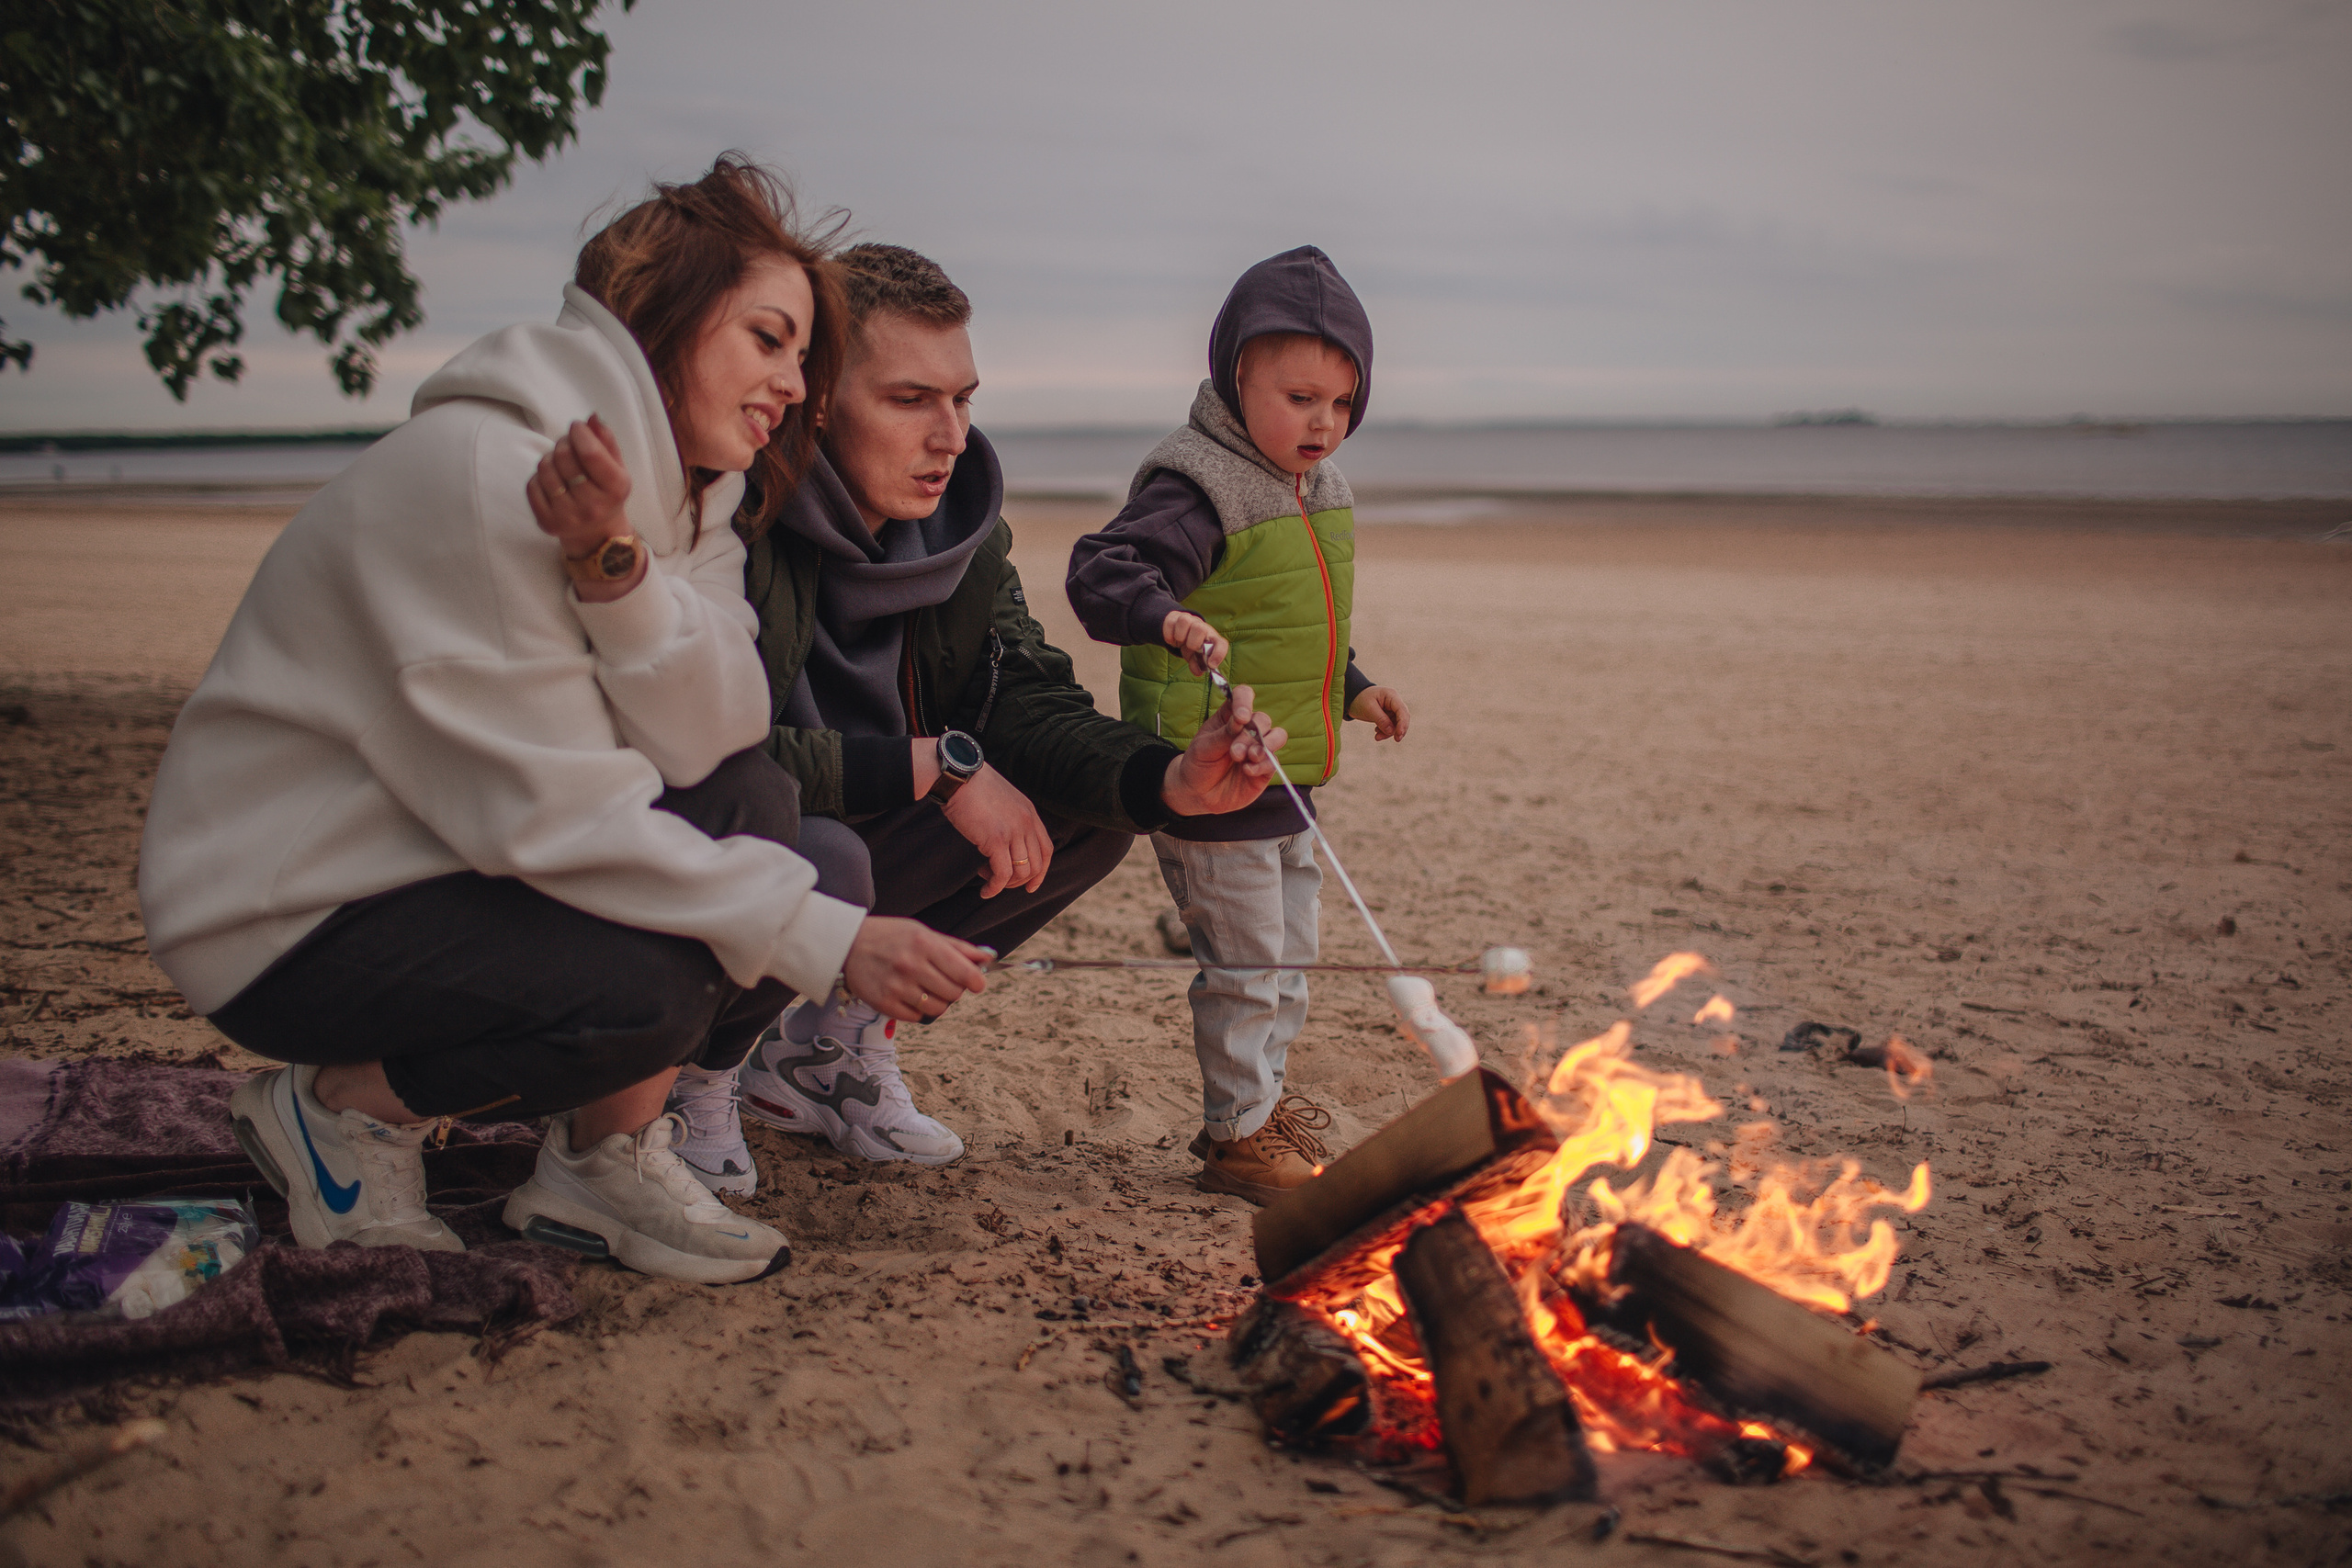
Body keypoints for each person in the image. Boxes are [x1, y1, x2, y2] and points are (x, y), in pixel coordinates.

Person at [136, 157, 989, 1285]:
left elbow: (715, 734)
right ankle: (340, 1112)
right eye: (768, 339)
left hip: (429, 853)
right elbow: (547, 816)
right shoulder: (489, 475)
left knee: (761, 806)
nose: (795, 385)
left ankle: (598, 1163)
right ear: (662, 319)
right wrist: (832, 939)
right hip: (282, 901)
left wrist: (618, 576)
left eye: (802, 354)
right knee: (650, 989)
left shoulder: (686, 492)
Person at [662, 244, 1294, 1185]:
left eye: (963, 400)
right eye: (911, 400)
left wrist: (1165, 781)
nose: (951, 436)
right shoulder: (725, 518)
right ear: (818, 397)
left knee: (1084, 816)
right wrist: (943, 769)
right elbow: (704, 757)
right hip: (708, 838)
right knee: (819, 850)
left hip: (863, 823)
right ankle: (693, 1078)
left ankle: (821, 1053)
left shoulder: (958, 525)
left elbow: (1023, 689)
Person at [1064, 246, 1413, 1205]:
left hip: (1291, 775)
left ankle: (1257, 1113)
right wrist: (1165, 616)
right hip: (1210, 771)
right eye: (1299, 397)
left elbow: (1290, 629)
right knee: (1248, 966)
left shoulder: (1319, 490)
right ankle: (1236, 1135)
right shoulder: (1199, 483)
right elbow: (1102, 573)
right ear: (1234, 377)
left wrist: (1354, 685)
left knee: (1287, 959)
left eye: (1341, 405)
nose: (1323, 423)